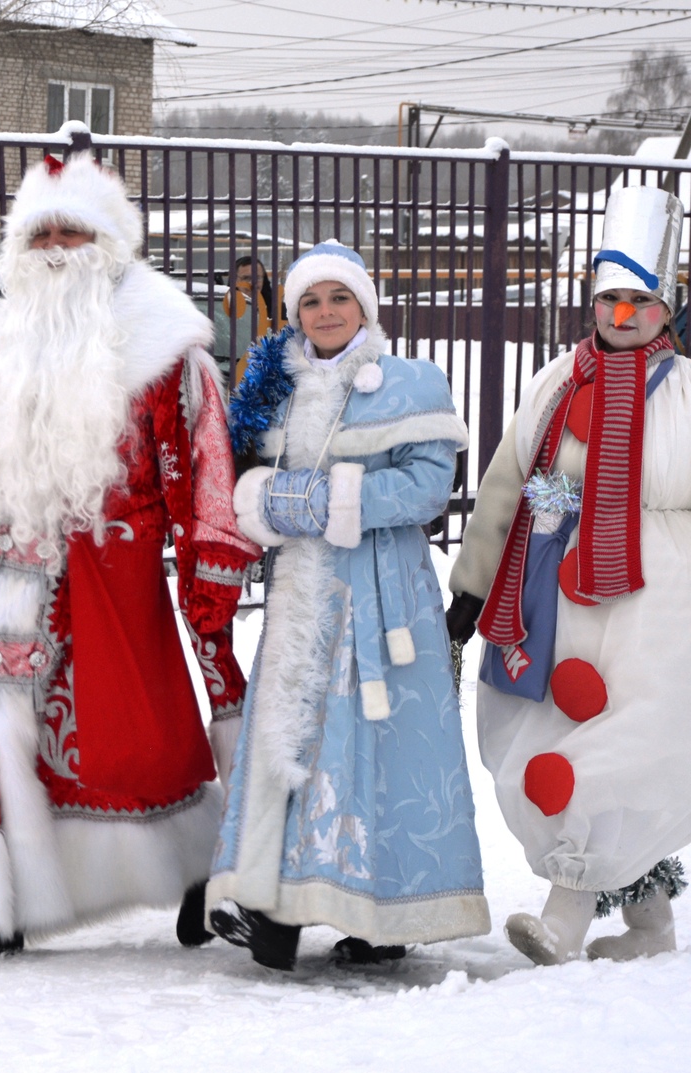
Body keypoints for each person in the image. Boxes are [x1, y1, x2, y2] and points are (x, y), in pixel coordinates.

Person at [446, 185, 691, 966]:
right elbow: (509, 489)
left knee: (622, 750)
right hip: (557, 601)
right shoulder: (552, 386)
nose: (623, 314)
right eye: (610, 298)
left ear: (664, 309)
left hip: (663, 609)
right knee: (564, 734)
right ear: (592, 304)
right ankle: (650, 923)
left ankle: (567, 917)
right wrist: (471, 593)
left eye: (639, 300)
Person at [0, 155, 260, 959]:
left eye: (73, 229)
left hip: (116, 574)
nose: (57, 245)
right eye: (41, 232)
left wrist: (209, 561)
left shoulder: (163, 342)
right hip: (7, 579)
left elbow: (205, 459)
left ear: (108, 241)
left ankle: (194, 868)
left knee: (142, 738)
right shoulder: (3, 337)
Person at [206, 240, 491, 972]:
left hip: (381, 596)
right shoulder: (275, 387)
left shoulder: (409, 381)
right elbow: (244, 480)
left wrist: (321, 498)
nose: (325, 312)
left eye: (339, 298)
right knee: (290, 741)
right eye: (311, 300)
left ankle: (382, 915)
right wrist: (269, 500)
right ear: (295, 311)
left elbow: (428, 485)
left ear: (364, 306)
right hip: (303, 589)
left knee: (376, 752)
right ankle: (273, 905)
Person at [212, 255, 279, 387]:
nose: (252, 283)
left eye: (257, 278)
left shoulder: (279, 310)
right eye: (246, 278)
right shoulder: (220, 312)